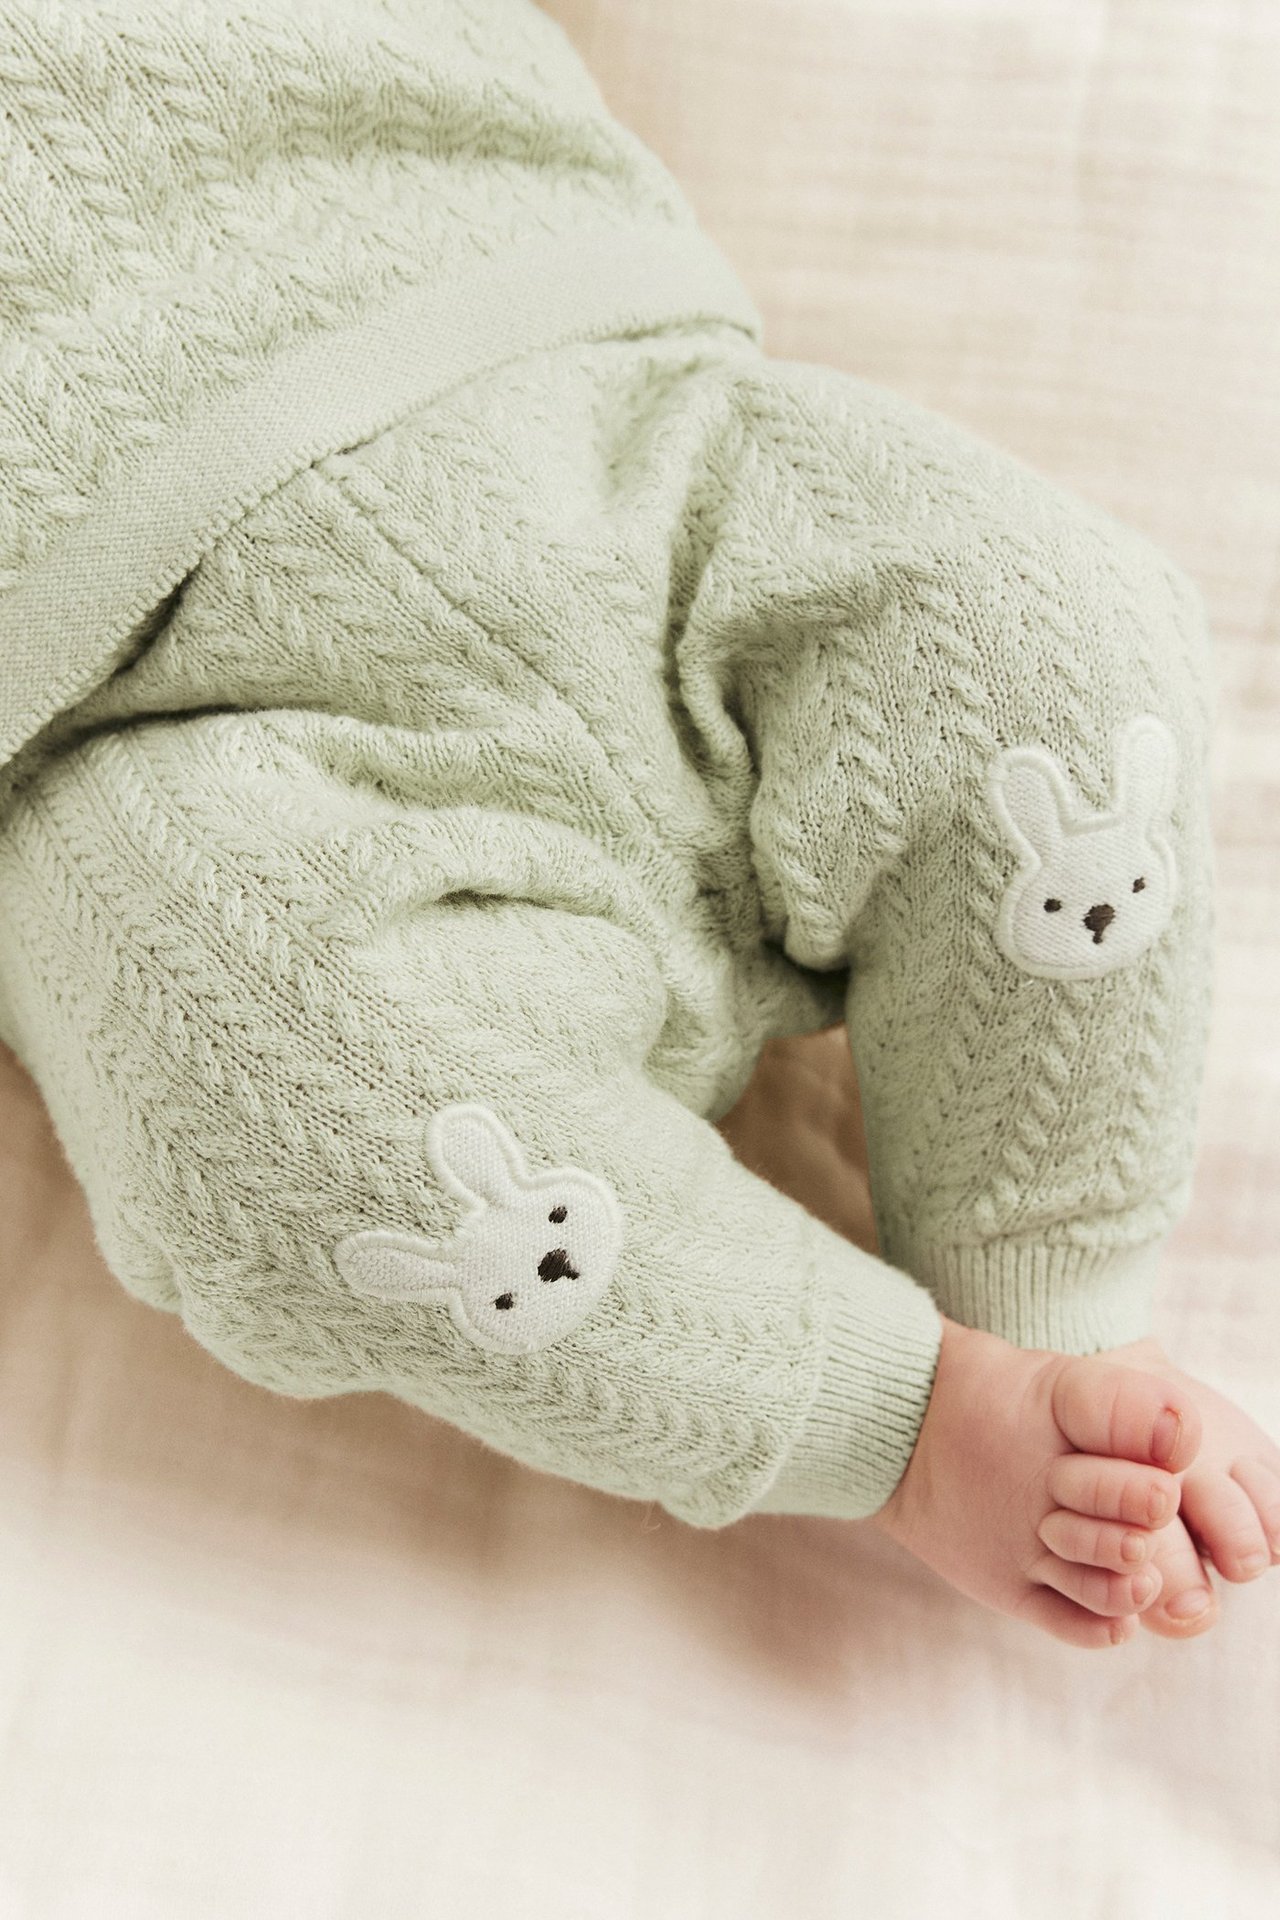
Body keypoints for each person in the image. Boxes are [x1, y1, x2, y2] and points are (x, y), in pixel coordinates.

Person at [1, 0, 1275, 1650]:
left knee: (1050, 646)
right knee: (255, 1103)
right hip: (156, 695)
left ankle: (1052, 1296)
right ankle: (905, 1421)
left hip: (572, 379)